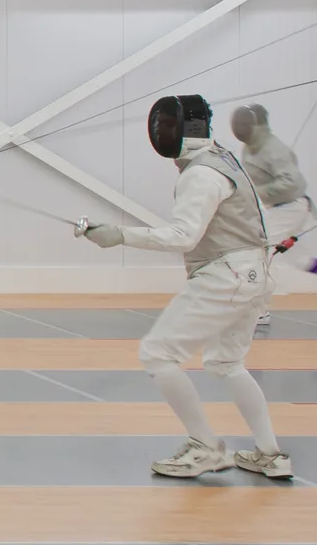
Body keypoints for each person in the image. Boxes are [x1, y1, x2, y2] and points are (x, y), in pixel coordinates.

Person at [76, 94, 290, 480]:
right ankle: (271, 453)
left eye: (168, 125)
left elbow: (183, 236)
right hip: (253, 273)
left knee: (157, 354)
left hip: (227, 275)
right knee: (227, 363)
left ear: (185, 128)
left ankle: (206, 447)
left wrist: (119, 235)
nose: (161, 132)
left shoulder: (201, 174)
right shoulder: (220, 157)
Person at [230, 101, 310, 329]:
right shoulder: (250, 148)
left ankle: (259, 311)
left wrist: (258, 193)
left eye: (245, 123)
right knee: (300, 259)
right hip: (275, 208)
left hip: (291, 206)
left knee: (259, 252)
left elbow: (291, 183)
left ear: (257, 125)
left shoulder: (276, 150)